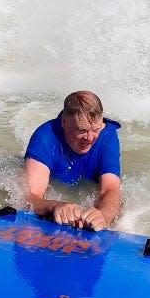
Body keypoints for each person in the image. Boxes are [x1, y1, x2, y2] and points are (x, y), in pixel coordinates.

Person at [24, 91, 121, 231]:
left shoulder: (107, 136)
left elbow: (110, 189)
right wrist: (54, 206)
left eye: (96, 129)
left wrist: (103, 216)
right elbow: (29, 197)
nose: (90, 138)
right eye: (82, 130)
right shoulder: (45, 137)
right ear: (64, 121)